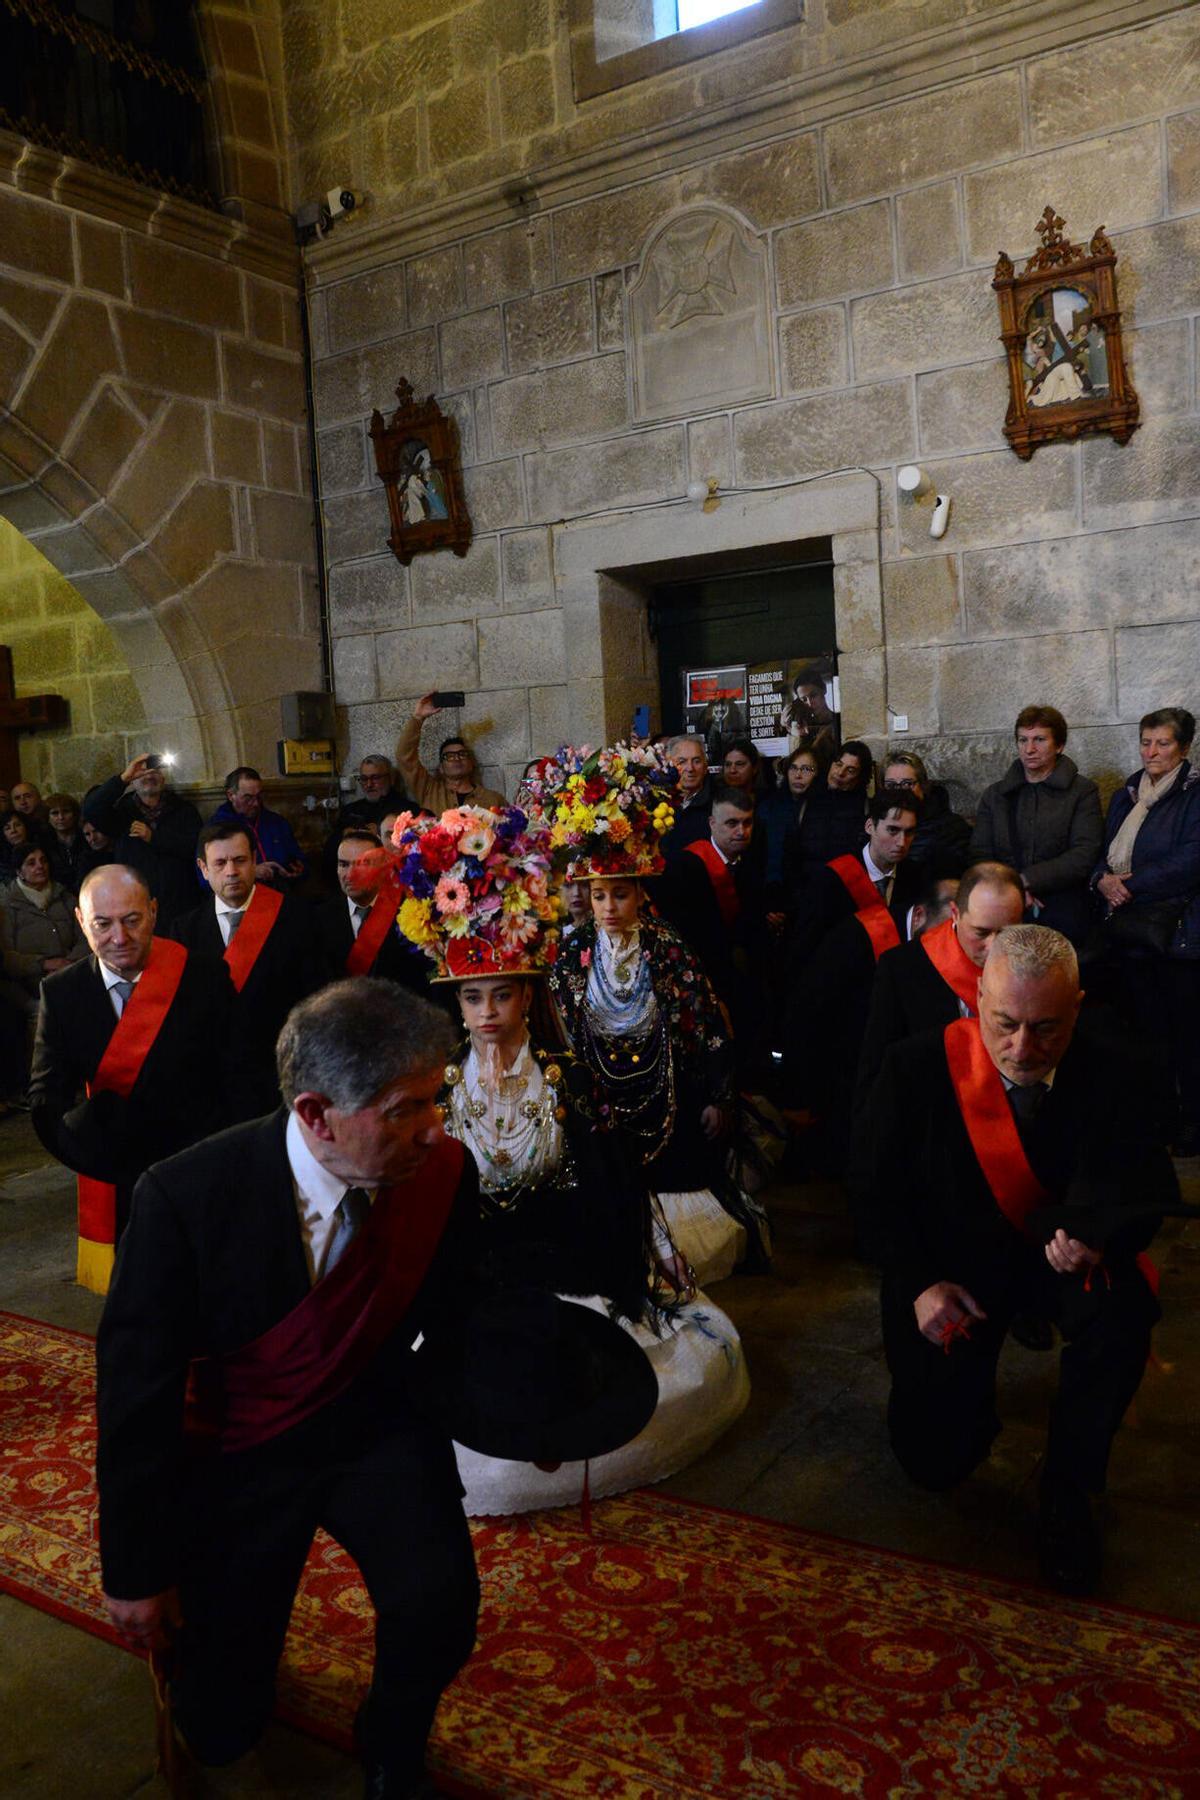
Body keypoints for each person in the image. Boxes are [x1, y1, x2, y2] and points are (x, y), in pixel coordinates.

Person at [94, 980, 485, 1798]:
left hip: (370, 1423)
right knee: (224, 1693)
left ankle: (390, 1737)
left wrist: (520, 1410)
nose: (435, 1128)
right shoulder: (184, 1197)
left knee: (439, 1605)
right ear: (316, 1113)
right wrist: (135, 1565)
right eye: (405, 1108)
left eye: (436, 1099)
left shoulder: (442, 1172)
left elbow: (458, 1317)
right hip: (237, 1445)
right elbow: (137, 1394)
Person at [390, 802, 749, 1514]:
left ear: (527, 997)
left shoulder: (567, 1080)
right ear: (456, 1006)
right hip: (476, 1264)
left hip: (564, 1254)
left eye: (501, 994)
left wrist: (651, 1245)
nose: (488, 1011)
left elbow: (618, 1175)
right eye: (472, 998)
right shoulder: (440, 1091)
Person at [852, 925, 1178, 1593]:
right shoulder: (913, 1069)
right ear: (977, 996)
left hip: (1060, 1264)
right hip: (953, 1273)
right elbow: (871, 1198)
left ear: (1079, 1006)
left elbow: (1147, 1191)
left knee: (1123, 1310)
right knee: (935, 1462)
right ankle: (966, 1405)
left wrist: (1102, 1237)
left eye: (1046, 1028)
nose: (1022, 1049)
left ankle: (1071, 1487)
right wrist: (917, 1285)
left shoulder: (1124, 1064)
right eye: (1004, 1024)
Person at [535, 744, 767, 1287]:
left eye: (620, 894)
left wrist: (717, 1096)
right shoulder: (571, 957)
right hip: (597, 1101)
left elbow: (705, 1023)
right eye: (598, 896)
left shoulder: (667, 949)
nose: (610, 907)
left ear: (640, 894)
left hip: (669, 1097)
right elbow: (556, 1033)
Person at [29, 864, 239, 1292]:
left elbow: (241, 1075)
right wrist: (91, 1156)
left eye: (132, 920)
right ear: (81, 922)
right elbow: (45, 1100)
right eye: (102, 925)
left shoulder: (204, 977)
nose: (119, 938)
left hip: (200, 1167)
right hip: (118, 1180)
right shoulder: (62, 992)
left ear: (154, 911)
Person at [1091, 706, 1200, 1154]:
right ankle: (1156, 1120)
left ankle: (1192, 1123)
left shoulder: (1194, 795)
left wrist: (1129, 885)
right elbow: (1102, 850)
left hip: (1176, 935)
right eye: (1145, 742)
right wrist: (1103, 878)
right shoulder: (1126, 794)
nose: (1151, 751)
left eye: (1163, 743)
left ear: (1185, 747)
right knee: (1145, 1036)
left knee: (1187, 1036)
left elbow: (1192, 858)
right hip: (1128, 935)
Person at [171, 823, 324, 1113]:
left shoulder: (297, 918)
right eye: (220, 862)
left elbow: (316, 999)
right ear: (203, 868)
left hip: (281, 1073)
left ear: (254, 860)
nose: (231, 871)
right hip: (214, 1083)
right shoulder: (183, 930)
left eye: (239, 860)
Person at [855, 861, 1026, 1119]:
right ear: (955, 914)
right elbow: (876, 1068)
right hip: (927, 1119)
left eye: (1006, 932)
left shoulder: (1033, 968)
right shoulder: (902, 969)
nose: (993, 946)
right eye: (981, 932)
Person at [969, 705, 1102, 944]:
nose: (1029, 749)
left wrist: (1026, 881)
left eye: (1039, 740)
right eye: (1023, 740)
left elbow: (1084, 853)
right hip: (1004, 904)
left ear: (1059, 745)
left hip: (1064, 905)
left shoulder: (1082, 792)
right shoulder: (995, 795)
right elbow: (981, 853)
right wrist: (1011, 890)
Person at [788, 787, 925, 973]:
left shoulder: (916, 877)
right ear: (870, 826)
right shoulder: (831, 879)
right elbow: (807, 947)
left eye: (909, 832)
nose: (902, 842)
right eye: (893, 830)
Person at [83, 753, 203, 931]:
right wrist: (123, 778)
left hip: (181, 905)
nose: (149, 775)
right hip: (137, 903)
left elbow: (195, 847)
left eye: (155, 771)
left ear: (163, 777)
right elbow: (91, 808)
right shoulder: (122, 813)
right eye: (143, 772)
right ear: (133, 781)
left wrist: (154, 838)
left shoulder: (184, 810)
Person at [316, 827, 426, 991]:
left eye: (363, 864)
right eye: (343, 864)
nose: (351, 874)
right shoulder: (319, 919)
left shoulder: (410, 912)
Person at [0, 843, 88, 1021]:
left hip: (72, 974)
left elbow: (87, 937)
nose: (40, 866)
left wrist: (67, 964)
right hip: (29, 990)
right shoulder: (7, 906)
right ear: (19, 872)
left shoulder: (65, 897)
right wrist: (44, 964)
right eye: (31, 863)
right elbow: (6, 957)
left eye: (43, 861)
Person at [397, 694, 505, 815]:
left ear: (472, 763)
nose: (457, 759)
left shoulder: (493, 799)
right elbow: (404, 757)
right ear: (441, 768)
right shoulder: (429, 790)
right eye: (449, 756)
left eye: (462, 754)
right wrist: (418, 718)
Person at [209, 766, 307, 891]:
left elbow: (299, 859)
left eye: (259, 797)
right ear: (231, 795)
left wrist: (298, 870)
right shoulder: (216, 829)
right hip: (243, 898)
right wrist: (251, 872)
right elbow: (206, 879)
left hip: (283, 893)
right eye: (248, 798)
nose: (255, 804)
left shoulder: (277, 822)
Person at [322, 755, 413, 880]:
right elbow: (328, 852)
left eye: (375, 778)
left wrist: (381, 836)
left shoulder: (406, 810)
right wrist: (345, 835)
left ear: (391, 778)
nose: (369, 784)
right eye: (364, 779)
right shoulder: (350, 810)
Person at [880, 751, 971, 874]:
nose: (899, 791)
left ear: (923, 786)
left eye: (907, 784)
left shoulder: (952, 828)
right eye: (891, 785)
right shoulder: (875, 825)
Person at [658, 734, 713, 861]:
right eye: (682, 762)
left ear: (705, 766)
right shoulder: (656, 800)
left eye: (697, 761)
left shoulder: (718, 803)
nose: (690, 768)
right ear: (669, 764)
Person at [44, 792, 88, 893]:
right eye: (55, 813)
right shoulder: (45, 844)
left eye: (66, 811)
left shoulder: (87, 837)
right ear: (48, 817)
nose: (61, 817)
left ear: (74, 814)